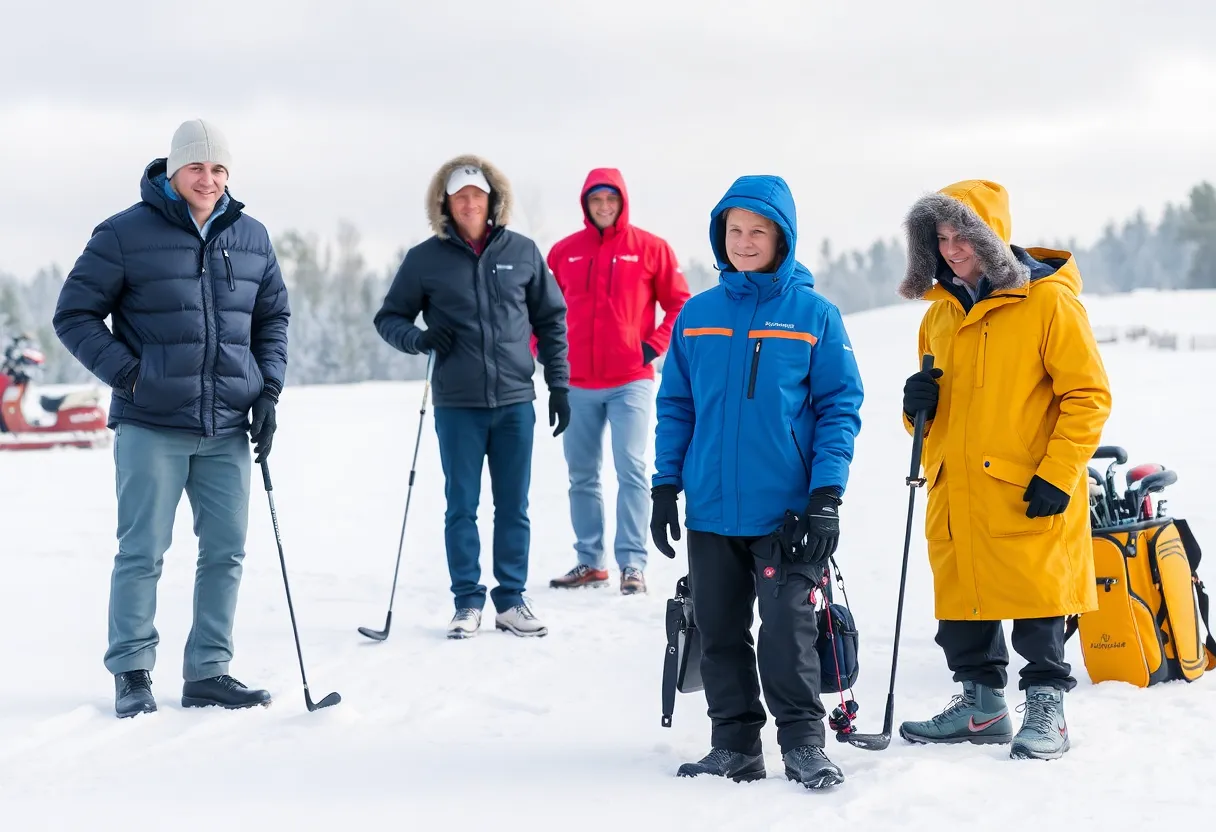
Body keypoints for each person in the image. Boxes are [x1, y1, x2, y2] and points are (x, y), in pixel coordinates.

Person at [52, 119, 290, 719]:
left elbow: (273, 320)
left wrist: (268, 390)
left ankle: (210, 670)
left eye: (218, 170)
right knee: (142, 551)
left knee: (226, 552)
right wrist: (133, 376)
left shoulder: (252, 237)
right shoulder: (124, 234)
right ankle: (132, 671)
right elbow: (74, 315)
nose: (207, 180)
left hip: (228, 426)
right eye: (196, 168)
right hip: (151, 424)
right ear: (173, 170)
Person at [650, 175, 864, 789]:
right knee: (718, 630)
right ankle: (735, 745)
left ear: (782, 238)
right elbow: (677, 407)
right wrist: (666, 484)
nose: (744, 242)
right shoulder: (698, 314)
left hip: (787, 513)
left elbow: (839, 408)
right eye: (735, 230)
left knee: (788, 636)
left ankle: (803, 745)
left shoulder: (814, 315)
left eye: (758, 231)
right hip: (711, 506)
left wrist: (826, 496)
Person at [893, 179, 1112, 760]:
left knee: (1038, 599)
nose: (953, 249)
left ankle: (1047, 709)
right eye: (940, 238)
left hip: (1027, 485)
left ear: (993, 237)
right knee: (963, 600)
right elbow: (929, 427)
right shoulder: (937, 317)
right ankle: (981, 706)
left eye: (964, 234)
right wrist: (916, 409)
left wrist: (1058, 472)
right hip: (955, 487)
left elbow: (1088, 396)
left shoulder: (1048, 302)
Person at [374, 154, 570, 639]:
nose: (468, 203)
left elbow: (551, 320)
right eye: (459, 196)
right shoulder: (425, 258)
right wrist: (419, 339)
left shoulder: (523, 252)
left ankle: (511, 601)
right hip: (458, 404)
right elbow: (389, 318)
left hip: (514, 402)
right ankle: (466, 602)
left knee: (513, 505)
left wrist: (559, 383)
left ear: (492, 199)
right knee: (461, 505)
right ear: (446, 201)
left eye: (476, 195)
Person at [545, 168, 690, 596]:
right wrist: (545, 352)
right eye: (596, 200)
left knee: (631, 468)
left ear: (622, 201)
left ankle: (632, 564)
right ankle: (590, 561)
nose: (604, 207)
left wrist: (653, 346)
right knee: (582, 475)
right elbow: (538, 309)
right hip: (577, 384)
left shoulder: (650, 248)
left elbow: (680, 303)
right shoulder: (564, 253)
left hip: (630, 380)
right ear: (585, 204)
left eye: (611, 199)